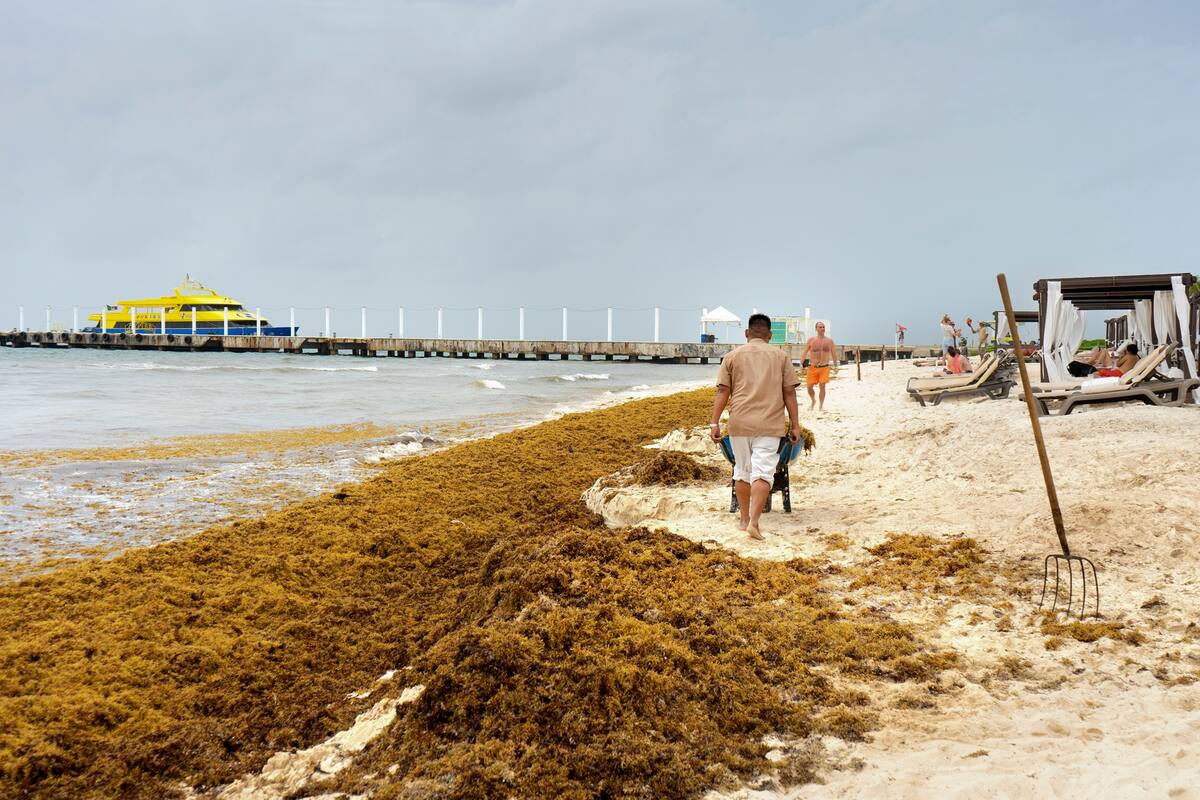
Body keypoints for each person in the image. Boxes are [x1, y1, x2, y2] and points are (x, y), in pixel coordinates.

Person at [709, 313, 800, 541]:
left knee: (742, 470)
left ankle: (742, 520)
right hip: (770, 424)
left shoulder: (732, 356)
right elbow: (789, 392)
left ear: (747, 334)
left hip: (739, 423)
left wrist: (714, 423)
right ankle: (754, 523)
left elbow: (722, 391)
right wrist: (796, 425)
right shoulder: (781, 357)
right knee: (763, 472)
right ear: (769, 335)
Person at [801, 321, 835, 411]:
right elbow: (804, 352)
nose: (822, 328)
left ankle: (821, 405)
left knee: (822, 386)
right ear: (816, 329)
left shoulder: (829, 341)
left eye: (823, 327)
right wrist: (801, 363)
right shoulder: (811, 340)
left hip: (824, 367)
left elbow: (834, 353)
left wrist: (836, 365)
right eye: (820, 327)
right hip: (812, 367)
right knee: (809, 386)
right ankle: (813, 401)